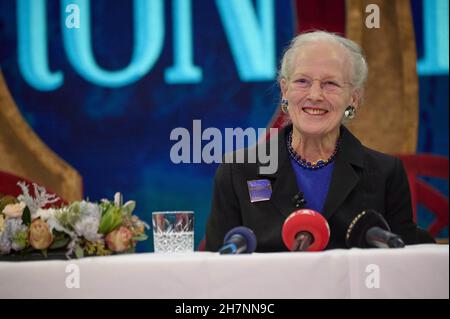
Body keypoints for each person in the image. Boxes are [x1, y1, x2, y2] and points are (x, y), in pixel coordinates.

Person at [205, 31, 423, 252]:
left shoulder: (386, 173)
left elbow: (405, 262)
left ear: (353, 99)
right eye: (302, 81)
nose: (315, 95)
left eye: (331, 84)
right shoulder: (238, 171)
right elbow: (217, 267)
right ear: (284, 91)